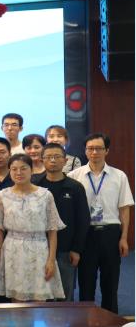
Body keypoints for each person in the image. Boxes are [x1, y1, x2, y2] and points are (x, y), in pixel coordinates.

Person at [68, 133, 134, 314]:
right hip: (85, 234)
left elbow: (124, 209)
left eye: (98, 148)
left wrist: (124, 238)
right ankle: (85, 320)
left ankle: (110, 320)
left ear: (107, 151)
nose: (94, 152)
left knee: (110, 283)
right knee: (86, 283)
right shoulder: (74, 176)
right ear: (85, 151)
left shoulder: (119, 176)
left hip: (110, 233)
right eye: (90, 148)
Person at [0, 153, 65, 301]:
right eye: (14, 169)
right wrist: (0, 257)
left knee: (40, 299)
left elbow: (52, 230)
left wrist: (51, 260)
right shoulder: (2, 195)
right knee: (17, 300)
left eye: (23, 168)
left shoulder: (45, 195)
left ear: (31, 170)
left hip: (39, 249)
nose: (18, 173)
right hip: (12, 250)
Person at [37, 142, 90, 303]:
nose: (52, 160)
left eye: (57, 157)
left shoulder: (75, 187)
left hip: (66, 250)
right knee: (42, 295)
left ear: (65, 160)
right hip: (40, 249)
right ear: (42, 160)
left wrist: (76, 249)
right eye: (48, 157)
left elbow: (83, 220)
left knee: (65, 296)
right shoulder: (36, 185)